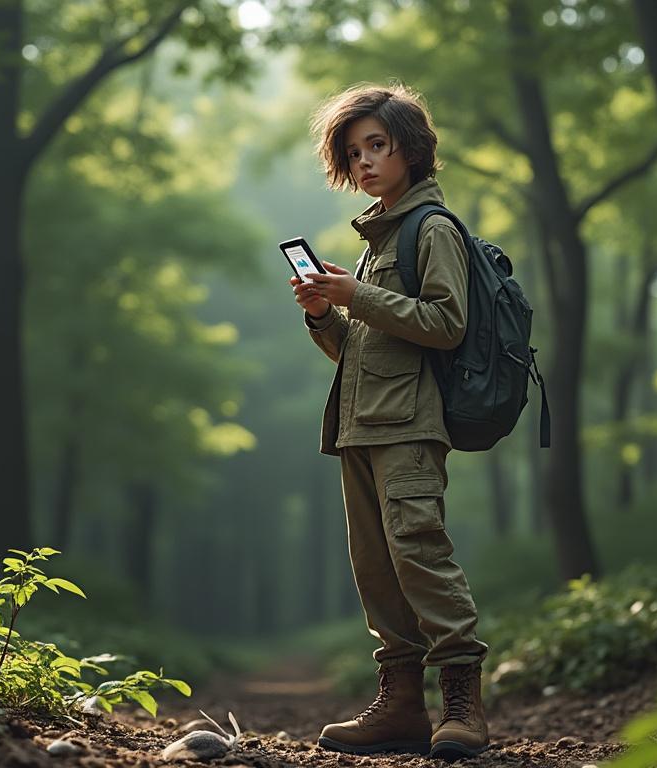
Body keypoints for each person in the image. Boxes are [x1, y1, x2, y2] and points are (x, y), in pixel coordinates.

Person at [289, 83, 489, 760]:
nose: (367, 160)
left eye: (379, 144)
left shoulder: (431, 229)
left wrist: (360, 293)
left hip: (408, 428)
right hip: (359, 427)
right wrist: (325, 312)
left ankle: (463, 708)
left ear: (412, 146)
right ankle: (401, 706)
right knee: (377, 572)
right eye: (355, 151)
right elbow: (360, 351)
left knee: (421, 555)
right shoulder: (380, 236)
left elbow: (446, 323)